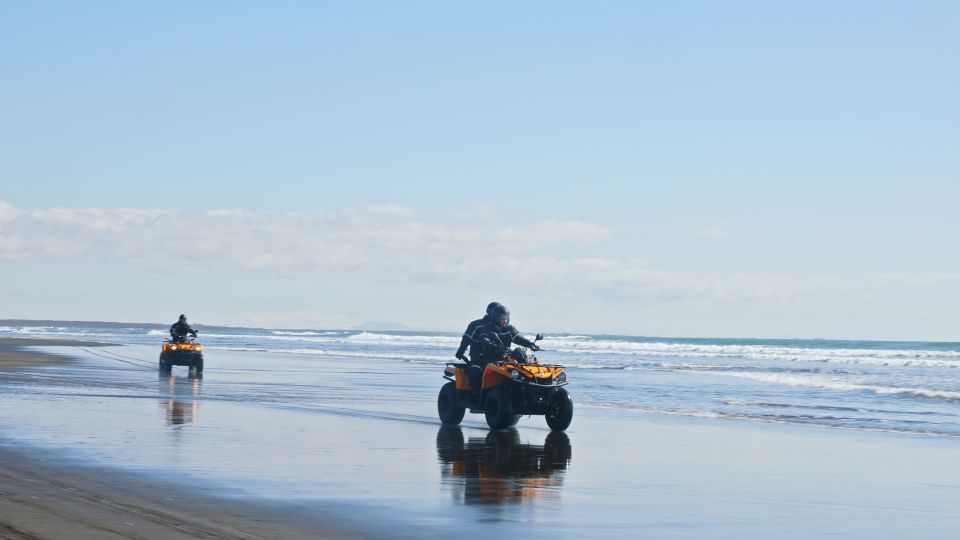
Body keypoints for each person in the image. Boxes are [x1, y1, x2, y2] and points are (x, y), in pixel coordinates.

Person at [468, 304, 538, 389]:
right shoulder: (487, 328)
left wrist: (530, 344)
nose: (505, 321)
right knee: (482, 372)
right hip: (492, 357)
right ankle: (483, 391)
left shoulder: (510, 329)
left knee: (523, 366)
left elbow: (518, 338)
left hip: (506, 357)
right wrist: (491, 345)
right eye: (502, 319)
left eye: (506, 319)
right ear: (496, 319)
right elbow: (484, 338)